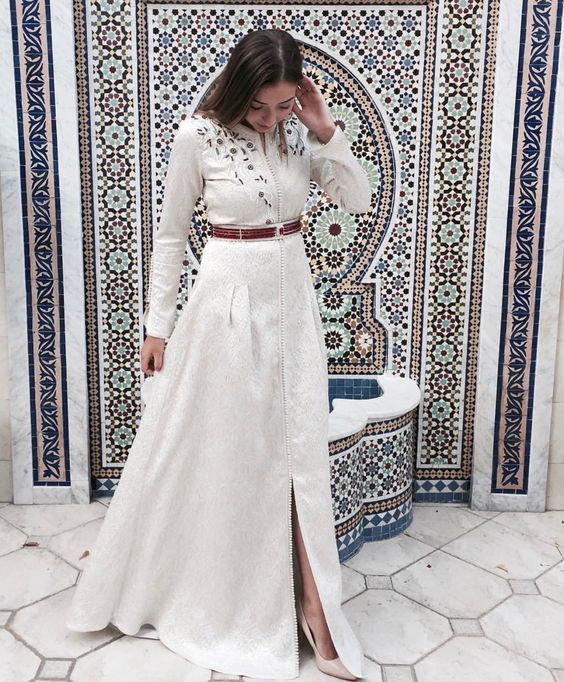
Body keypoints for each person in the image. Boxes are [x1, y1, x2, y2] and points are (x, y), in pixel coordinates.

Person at [66, 28, 371, 680]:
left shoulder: (299, 134)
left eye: (282, 105)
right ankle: (233, 596)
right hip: (227, 309)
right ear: (237, 89)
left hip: (292, 308)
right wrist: (156, 327)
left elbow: (356, 199)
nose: (269, 118)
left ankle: (314, 604)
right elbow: (172, 235)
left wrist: (323, 131)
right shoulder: (197, 135)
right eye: (258, 105)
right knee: (237, 454)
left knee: (298, 449)